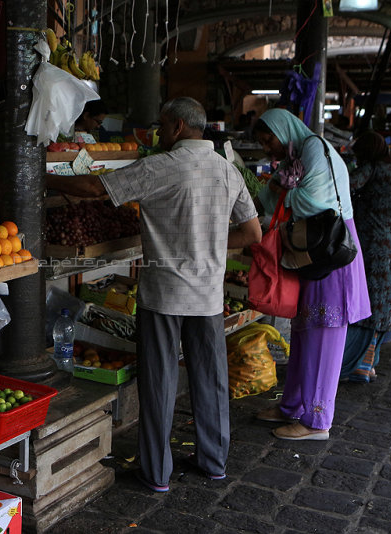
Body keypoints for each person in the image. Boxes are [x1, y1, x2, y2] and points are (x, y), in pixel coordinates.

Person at [47, 97, 262, 492]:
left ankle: (156, 473)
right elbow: (252, 234)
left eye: (162, 126)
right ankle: (214, 462)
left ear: (178, 127)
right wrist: (211, 245)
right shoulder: (227, 171)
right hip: (209, 296)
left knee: (159, 383)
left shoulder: (161, 166)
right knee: (211, 380)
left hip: (164, 295)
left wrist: (43, 178)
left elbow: (96, 186)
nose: (159, 134)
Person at [254, 108, 370, 439]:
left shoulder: (314, 149)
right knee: (304, 331)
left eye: (268, 140)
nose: (267, 149)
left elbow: (316, 200)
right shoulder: (297, 155)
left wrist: (285, 191)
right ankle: (292, 407)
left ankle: (317, 422)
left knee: (324, 336)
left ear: (282, 130)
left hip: (332, 251)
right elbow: (268, 197)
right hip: (314, 253)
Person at [339, 131, 391, 383]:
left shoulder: (372, 169)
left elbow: (345, 186)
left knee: (367, 301)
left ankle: (360, 364)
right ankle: (370, 362)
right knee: (383, 303)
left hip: (373, 244)